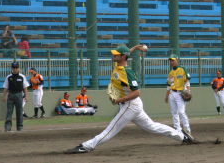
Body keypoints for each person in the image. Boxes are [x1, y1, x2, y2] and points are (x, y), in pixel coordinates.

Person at [64, 45, 195, 154]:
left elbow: (137, 92)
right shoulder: (118, 66)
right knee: (152, 126)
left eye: (116, 55)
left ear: (122, 57)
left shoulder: (128, 72)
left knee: (111, 129)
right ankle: (182, 136)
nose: (113, 56)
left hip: (130, 104)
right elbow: (127, 53)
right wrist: (136, 47)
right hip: (131, 105)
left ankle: (86, 146)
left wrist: (121, 100)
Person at [165, 54, 193, 137]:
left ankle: (187, 130)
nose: (171, 62)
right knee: (174, 113)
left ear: (177, 60)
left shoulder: (182, 69)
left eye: (173, 60)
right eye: (170, 60)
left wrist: (188, 90)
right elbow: (168, 85)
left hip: (180, 94)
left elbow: (187, 80)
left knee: (181, 112)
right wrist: (166, 96)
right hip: (172, 94)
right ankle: (178, 131)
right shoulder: (170, 73)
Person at [2, 62, 29, 131]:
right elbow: (6, 87)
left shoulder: (22, 77)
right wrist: (4, 96)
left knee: (19, 111)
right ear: (12, 68)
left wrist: (26, 96)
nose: (15, 69)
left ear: (18, 68)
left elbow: (25, 87)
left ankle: (20, 127)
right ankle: (8, 127)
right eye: (14, 68)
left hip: (19, 95)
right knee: (9, 112)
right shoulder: (9, 77)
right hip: (10, 95)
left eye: (16, 67)